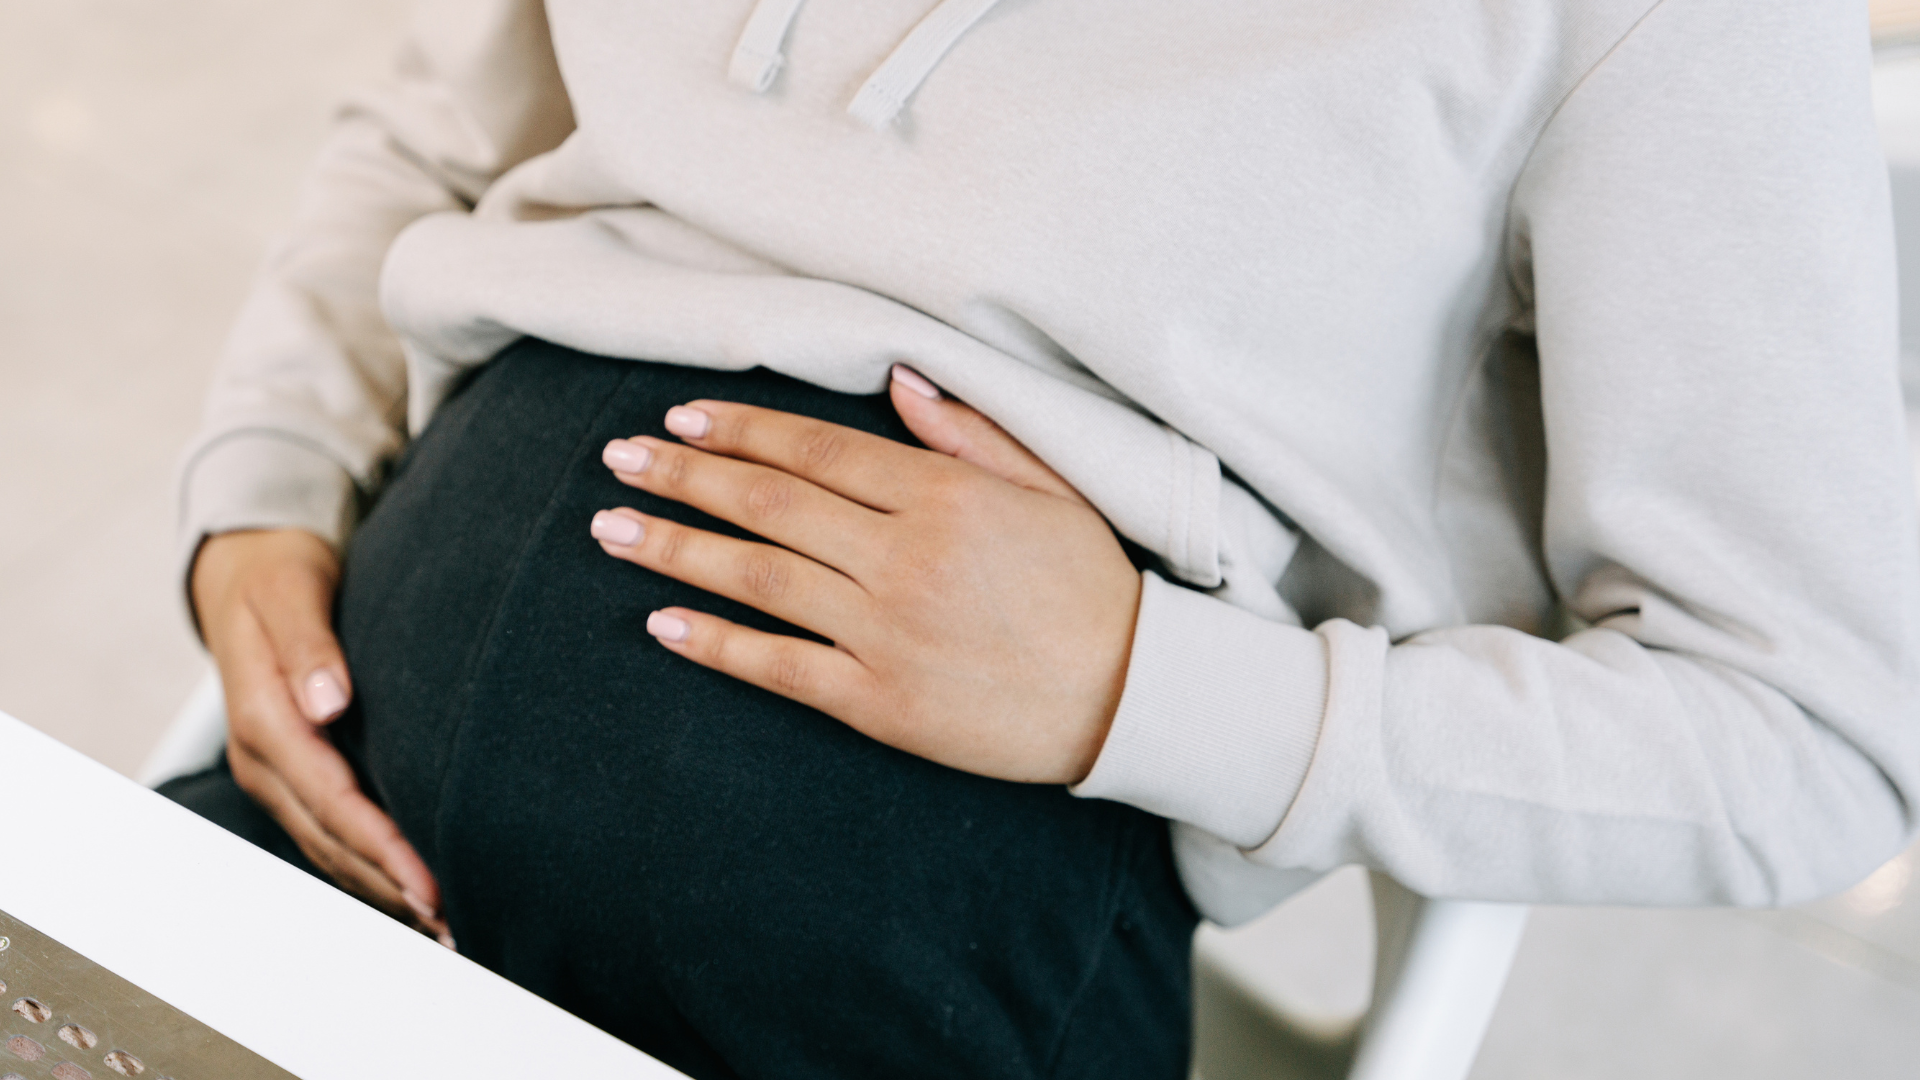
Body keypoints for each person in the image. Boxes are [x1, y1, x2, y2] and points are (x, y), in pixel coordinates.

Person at [166, 0, 1920, 1076]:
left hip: (903, 967)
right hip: (327, 819)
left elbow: (1817, 734)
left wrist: (1138, 685)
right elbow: (434, 131)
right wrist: (269, 482)